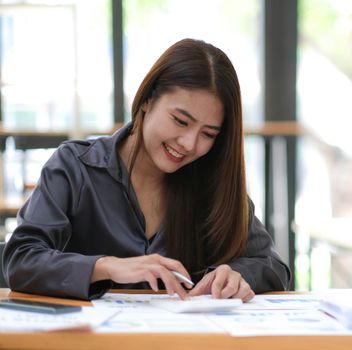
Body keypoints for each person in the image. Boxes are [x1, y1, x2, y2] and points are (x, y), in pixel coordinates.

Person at [2, 38, 291, 301]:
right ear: (147, 101)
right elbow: (21, 260)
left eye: (209, 134)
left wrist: (236, 275)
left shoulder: (211, 181)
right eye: (180, 121)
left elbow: (274, 267)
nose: (189, 144)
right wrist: (107, 267)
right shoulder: (75, 167)